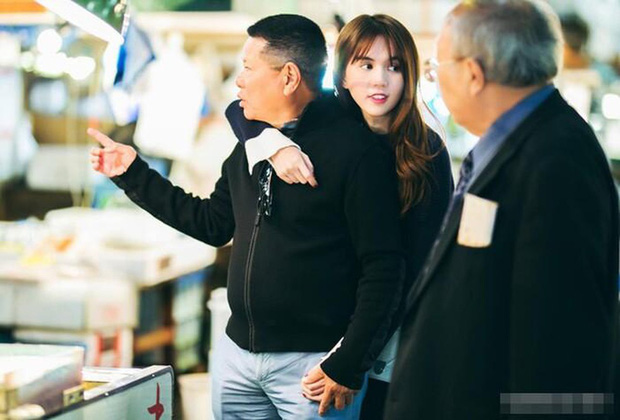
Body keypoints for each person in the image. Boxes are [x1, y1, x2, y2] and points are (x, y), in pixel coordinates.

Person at [89, 14, 404, 420]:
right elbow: (212, 222)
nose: (238, 81)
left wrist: (348, 363)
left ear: (288, 77)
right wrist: (133, 173)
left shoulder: (357, 153)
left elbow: (384, 267)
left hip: (313, 368)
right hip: (237, 359)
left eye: (248, 68)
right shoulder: (252, 147)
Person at [382, 1, 619, 419]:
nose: (434, 78)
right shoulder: (517, 143)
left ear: (473, 74)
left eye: (437, 67)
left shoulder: (557, 161)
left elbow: (560, 343)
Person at [225, 14, 454, 419]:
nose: (380, 80)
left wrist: (353, 354)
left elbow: (414, 266)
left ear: (409, 75)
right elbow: (239, 110)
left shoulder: (424, 152)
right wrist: (273, 143)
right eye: (366, 65)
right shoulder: (327, 122)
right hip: (335, 337)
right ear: (342, 72)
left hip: (395, 334)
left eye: (394, 67)